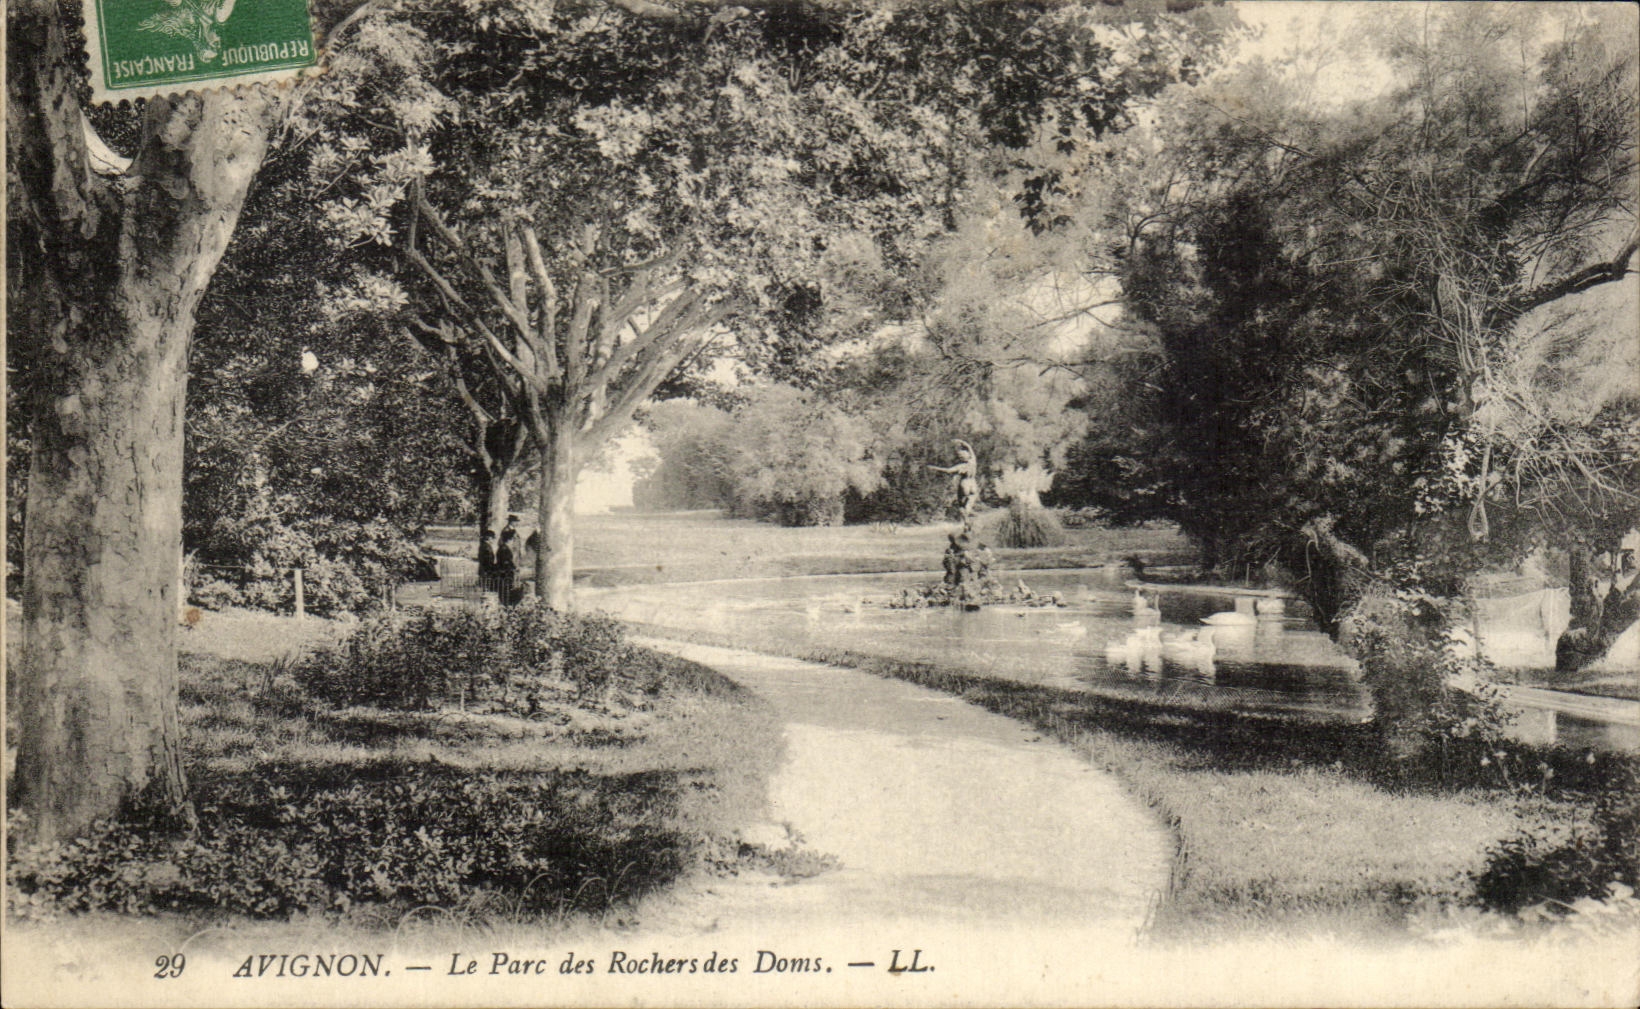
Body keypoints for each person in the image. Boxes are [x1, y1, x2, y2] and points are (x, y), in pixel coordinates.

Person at [495, 528, 519, 606]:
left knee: (506, 593)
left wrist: (514, 567)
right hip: (505, 576)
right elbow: (505, 563)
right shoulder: (504, 549)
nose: (514, 541)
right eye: (514, 539)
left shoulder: (505, 548)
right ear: (510, 539)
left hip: (506, 575)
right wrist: (513, 568)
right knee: (505, 594)